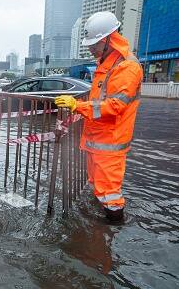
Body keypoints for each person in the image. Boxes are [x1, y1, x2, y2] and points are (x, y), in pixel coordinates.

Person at [55, 11, 143, 223]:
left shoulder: (126, 67)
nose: (90, 48)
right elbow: (100, 101)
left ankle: (110, 234)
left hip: (109, 144)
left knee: (110, 195)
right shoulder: (107, 64)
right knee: (99, 188)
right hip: (97, 141)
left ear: (107, 39)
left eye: (93, 44)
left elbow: (114, 106)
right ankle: (99, 233)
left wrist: (77, 105)